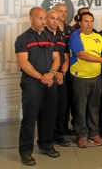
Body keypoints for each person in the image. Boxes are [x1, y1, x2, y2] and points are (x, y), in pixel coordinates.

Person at [68, 12, 102, 148]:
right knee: (80, 108)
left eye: (91, 21)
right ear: (80, 23)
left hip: (96, 77)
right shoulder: (75, 36)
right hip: (80, 77)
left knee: (94, 107)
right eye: (86, 21)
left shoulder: (97, 36)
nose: (89, 24)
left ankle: (94, 134)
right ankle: (82, 135)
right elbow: (82, 55)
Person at [15, 7, 60, 166]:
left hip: (49, 82)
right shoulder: (23, 39)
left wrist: (52, 73)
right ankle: (25, 152)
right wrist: (43, 77)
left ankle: (46, 145)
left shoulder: (50, 37)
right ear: (31, 19)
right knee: (29, 118)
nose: (44, 22)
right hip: (32, 83)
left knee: (49, 115)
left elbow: (56, 58)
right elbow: (23, 63)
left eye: (44, 18)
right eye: (40, 19)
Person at [45, 10, 70, 147]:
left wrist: (63, 73)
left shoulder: (62, 37)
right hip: (48, 78)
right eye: (52, 18)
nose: (55, 21)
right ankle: (47, 139)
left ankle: (59, 135)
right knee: (49, 110)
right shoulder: (43, 36)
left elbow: (66, 57)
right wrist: (55, 74)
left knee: (62, 108)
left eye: (57, 19)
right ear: (46, 20)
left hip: (61, 76)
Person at [54, 3, 76, 136]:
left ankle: (64, 127)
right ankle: (54, 131)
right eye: (60, 11)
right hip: (53, 69)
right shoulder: (49, 29)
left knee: (66, 101)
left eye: (65, 11)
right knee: (54, 102)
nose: (63, 14)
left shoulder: (71, 30)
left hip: (69, 68)